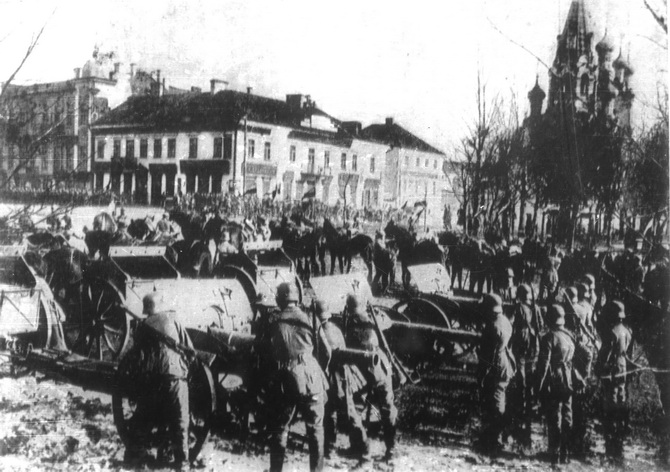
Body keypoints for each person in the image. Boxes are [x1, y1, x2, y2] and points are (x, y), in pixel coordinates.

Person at [122, 292, 193, 470]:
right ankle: (182, 464)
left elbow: (136, 357)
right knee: (180, 423)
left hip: (153, 380)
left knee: (141, 422)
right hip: (176, 378)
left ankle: (133, 461)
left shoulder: (143, 326)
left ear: (147, 310)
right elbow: (190, 350)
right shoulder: (173, 320)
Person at [264, 282, 328, 472]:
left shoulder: (274, 322)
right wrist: (314, 369)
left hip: (286, 381)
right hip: (312, 380)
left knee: (280, 429)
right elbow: (326, 351)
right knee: (315, 429)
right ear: (297, 298)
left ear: (279, 299)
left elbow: (266, 353)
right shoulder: (310, 319)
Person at [343, 293, 397, 461]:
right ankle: (391, 449)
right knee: (388, 407)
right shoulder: (374, 320)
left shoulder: (351, 324)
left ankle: (358, 448)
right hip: (380, 366)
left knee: (355, 406)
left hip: (362, 369)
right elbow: (388, 322)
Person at [314, 299, 368, 461]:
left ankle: (360, 450)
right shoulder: (335, 329)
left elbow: (322, 357)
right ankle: (357, 448)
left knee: (333, 413)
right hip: (342, 376)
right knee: (345, 412)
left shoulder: (320, 333)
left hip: (333, 377)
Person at [475, 293, 515, 456]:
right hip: (505, 363)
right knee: (496, 399)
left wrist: (482, 375)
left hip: (496, 367)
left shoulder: (492, 327)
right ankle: (492, 437)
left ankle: (495, 440)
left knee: (496, 401)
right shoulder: (505, 321)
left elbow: (488, 355)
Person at [535, 304, 576, 465]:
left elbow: (544, 365)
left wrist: (538, 386)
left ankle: (554, 453)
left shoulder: (549, 337)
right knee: (567, 415)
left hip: (555, 379)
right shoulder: (569, 336)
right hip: (568, 378)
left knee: (554, 417)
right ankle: (565, 453)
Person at [595, 300, 632, 463]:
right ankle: (619, 440)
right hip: (623, 368)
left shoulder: (612, 333)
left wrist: (599, 369)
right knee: (620, 400)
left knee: (609, 403)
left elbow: (605, 355)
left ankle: (611, 445)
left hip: (612, 371)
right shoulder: (627, 331)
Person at [509, 284, 543, 450]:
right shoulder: (530, 308)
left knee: (523, 377)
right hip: (529, 347)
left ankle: (522, 404)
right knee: (526, 377)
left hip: (525, 347)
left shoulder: (526, 309)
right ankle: (526, 404)